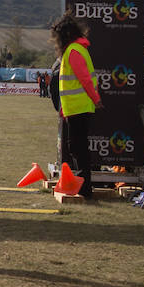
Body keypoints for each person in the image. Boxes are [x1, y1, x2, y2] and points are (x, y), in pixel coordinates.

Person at [52, 11, 102, 199]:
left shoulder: (73, 51)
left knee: (78, 148)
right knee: (77, 147)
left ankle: (84, 188)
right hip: (75, 108)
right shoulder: (78, 49)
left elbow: (84, 80)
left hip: (79, 108)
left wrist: (96, 99)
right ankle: (83, 186)